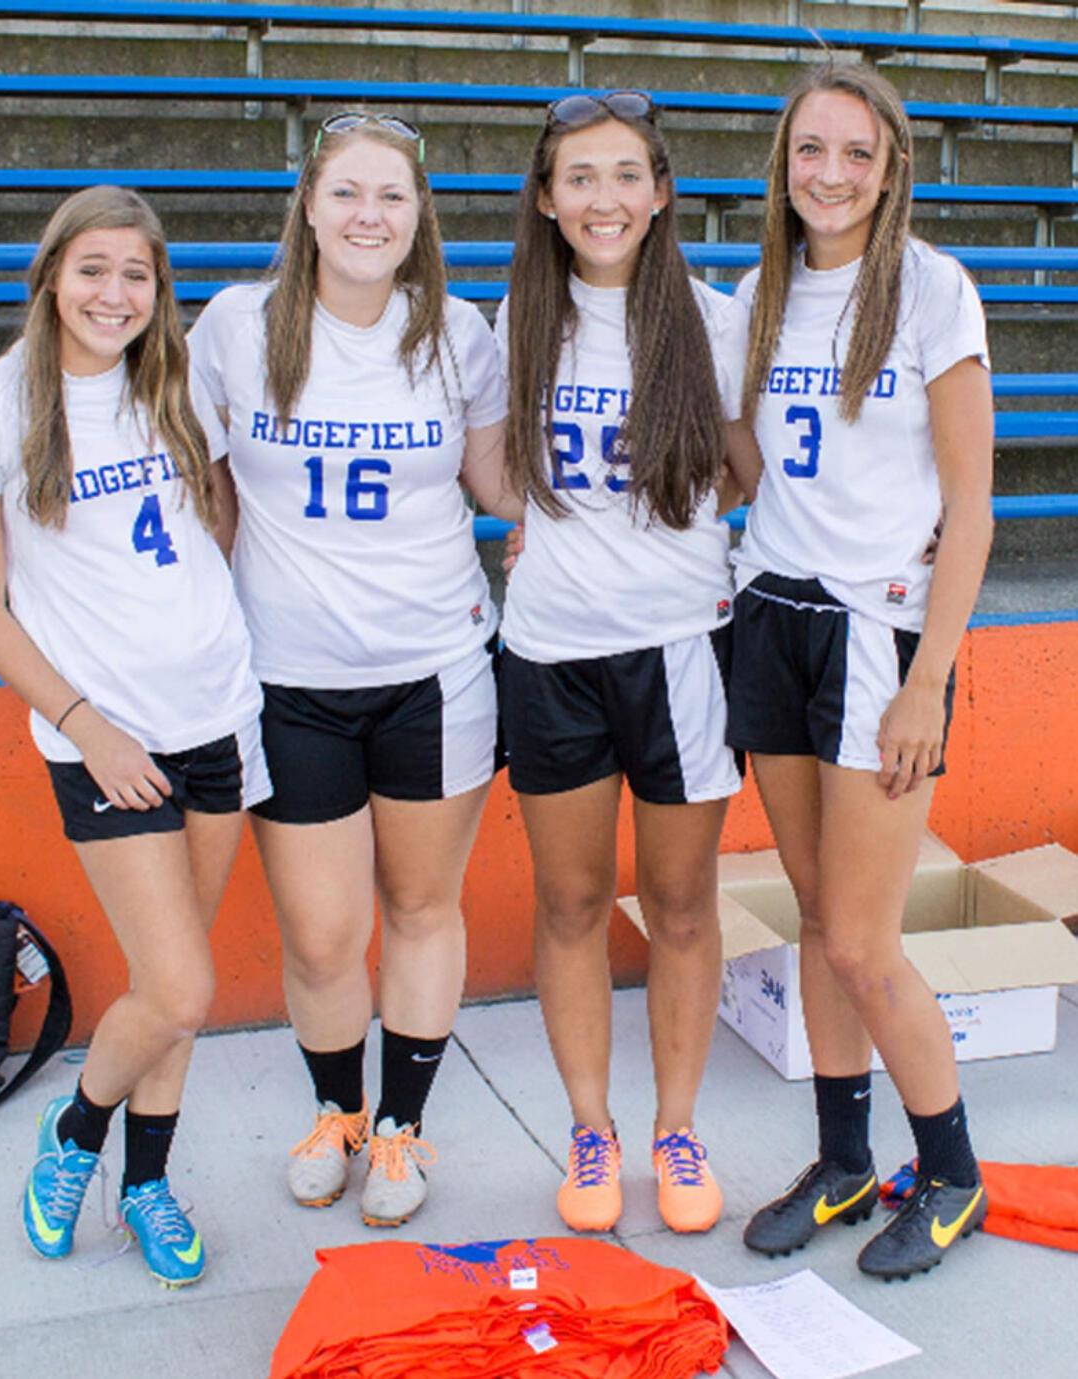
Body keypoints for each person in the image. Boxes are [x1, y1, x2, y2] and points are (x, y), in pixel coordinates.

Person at [0, 186, 269, 1287]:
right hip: (104, 742)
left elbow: (213, 519)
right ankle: (76, 1137)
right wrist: (91, 722)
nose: (113, 292)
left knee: (179, 979)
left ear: (156, 290)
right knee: (176, 989)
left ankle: (145, 1182)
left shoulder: (172, 386)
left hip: (216, 714)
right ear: (50, 277)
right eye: (93, 269)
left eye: (136, 274)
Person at [187, 112, 517, 1227]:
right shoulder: (238, 325)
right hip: (290, 678)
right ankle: (335, 1107)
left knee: (421, 907)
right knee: (323, 932)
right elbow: (199, 484)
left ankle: (400, 1131)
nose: (368, 214)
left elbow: (496, 482)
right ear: (310, 208)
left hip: (431, 668)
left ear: (418, 213)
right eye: (346, 194)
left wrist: (605, 517)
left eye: (391, 195)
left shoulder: (455, 332)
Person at [724, 63, 994, 1279]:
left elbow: (973, 508)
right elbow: (749, 468)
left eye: (853, 153)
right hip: (767, 616)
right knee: (815, 914)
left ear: (888, 170)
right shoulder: (759, 289)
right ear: (782, 163)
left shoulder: (932, 291)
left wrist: (927, 677)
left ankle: (951, 1173)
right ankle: (842, 1159)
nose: (826, 174)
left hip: (875, 636)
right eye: (807, 151)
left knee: (860, 941)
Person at [497, 90, 757, 1235]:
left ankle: (677, 1124)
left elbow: (747, 466)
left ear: (659, 192)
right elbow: (486, 466)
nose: (602, 198)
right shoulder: (507, 321)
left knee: (682, 901)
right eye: (578, 178)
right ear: (547, 201)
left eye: (623, 175)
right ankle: (591, 1125)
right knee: (566, 900)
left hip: (681, 648)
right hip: (551, 650)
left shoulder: (718, 319)